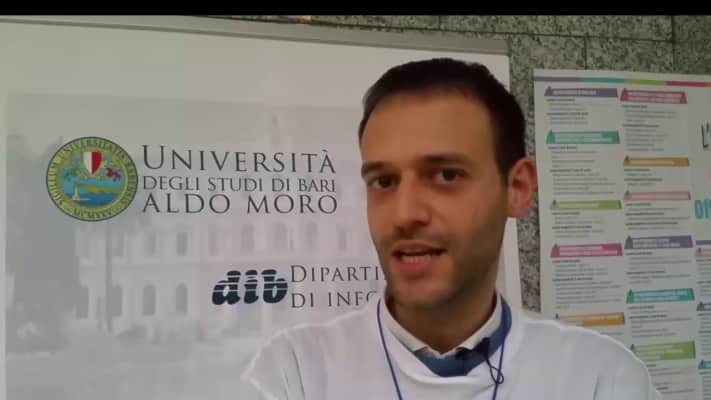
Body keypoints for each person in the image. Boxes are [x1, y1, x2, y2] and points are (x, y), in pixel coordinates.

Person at [241, 58, 661, 400]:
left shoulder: (599, 378)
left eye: (445, 175)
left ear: (517, 188)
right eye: (384, 181)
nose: (404, 214)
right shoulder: (294, 373)